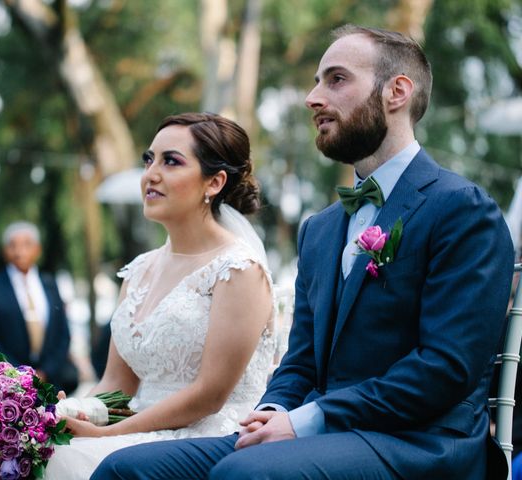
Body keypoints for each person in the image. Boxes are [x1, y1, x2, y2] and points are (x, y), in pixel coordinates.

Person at [94, 25, 515, 480]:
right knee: (125, 469)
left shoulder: (461, 209)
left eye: (335, 80)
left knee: (246, 474)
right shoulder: (321, 228)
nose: (313, 97)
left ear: (397, 91)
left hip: (420, 443)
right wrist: (274, 409)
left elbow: (445, 368)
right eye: (316, 81)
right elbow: (300, 361)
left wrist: (305, 421)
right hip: (318, 434)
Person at [43, 112, 275, 479]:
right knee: (33, 449)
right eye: (149, 159)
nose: (151, 174)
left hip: (208, 437)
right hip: (136, 427)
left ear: (213, 183)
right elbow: (117, 386)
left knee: (64, 461)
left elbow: (209, 395)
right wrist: (71, 411)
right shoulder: (138, 271)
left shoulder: (239, 270)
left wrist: (108, 433)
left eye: (171, 161)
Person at [0, 221, 78, 394]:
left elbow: (62, 334)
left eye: (26, 245)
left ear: (38, 249)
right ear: (5, 251)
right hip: (6, 388)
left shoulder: (50, 285)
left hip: (49, 384)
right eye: (13, 245)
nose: (19, 251)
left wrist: (46, 371)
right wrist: (15, 372)